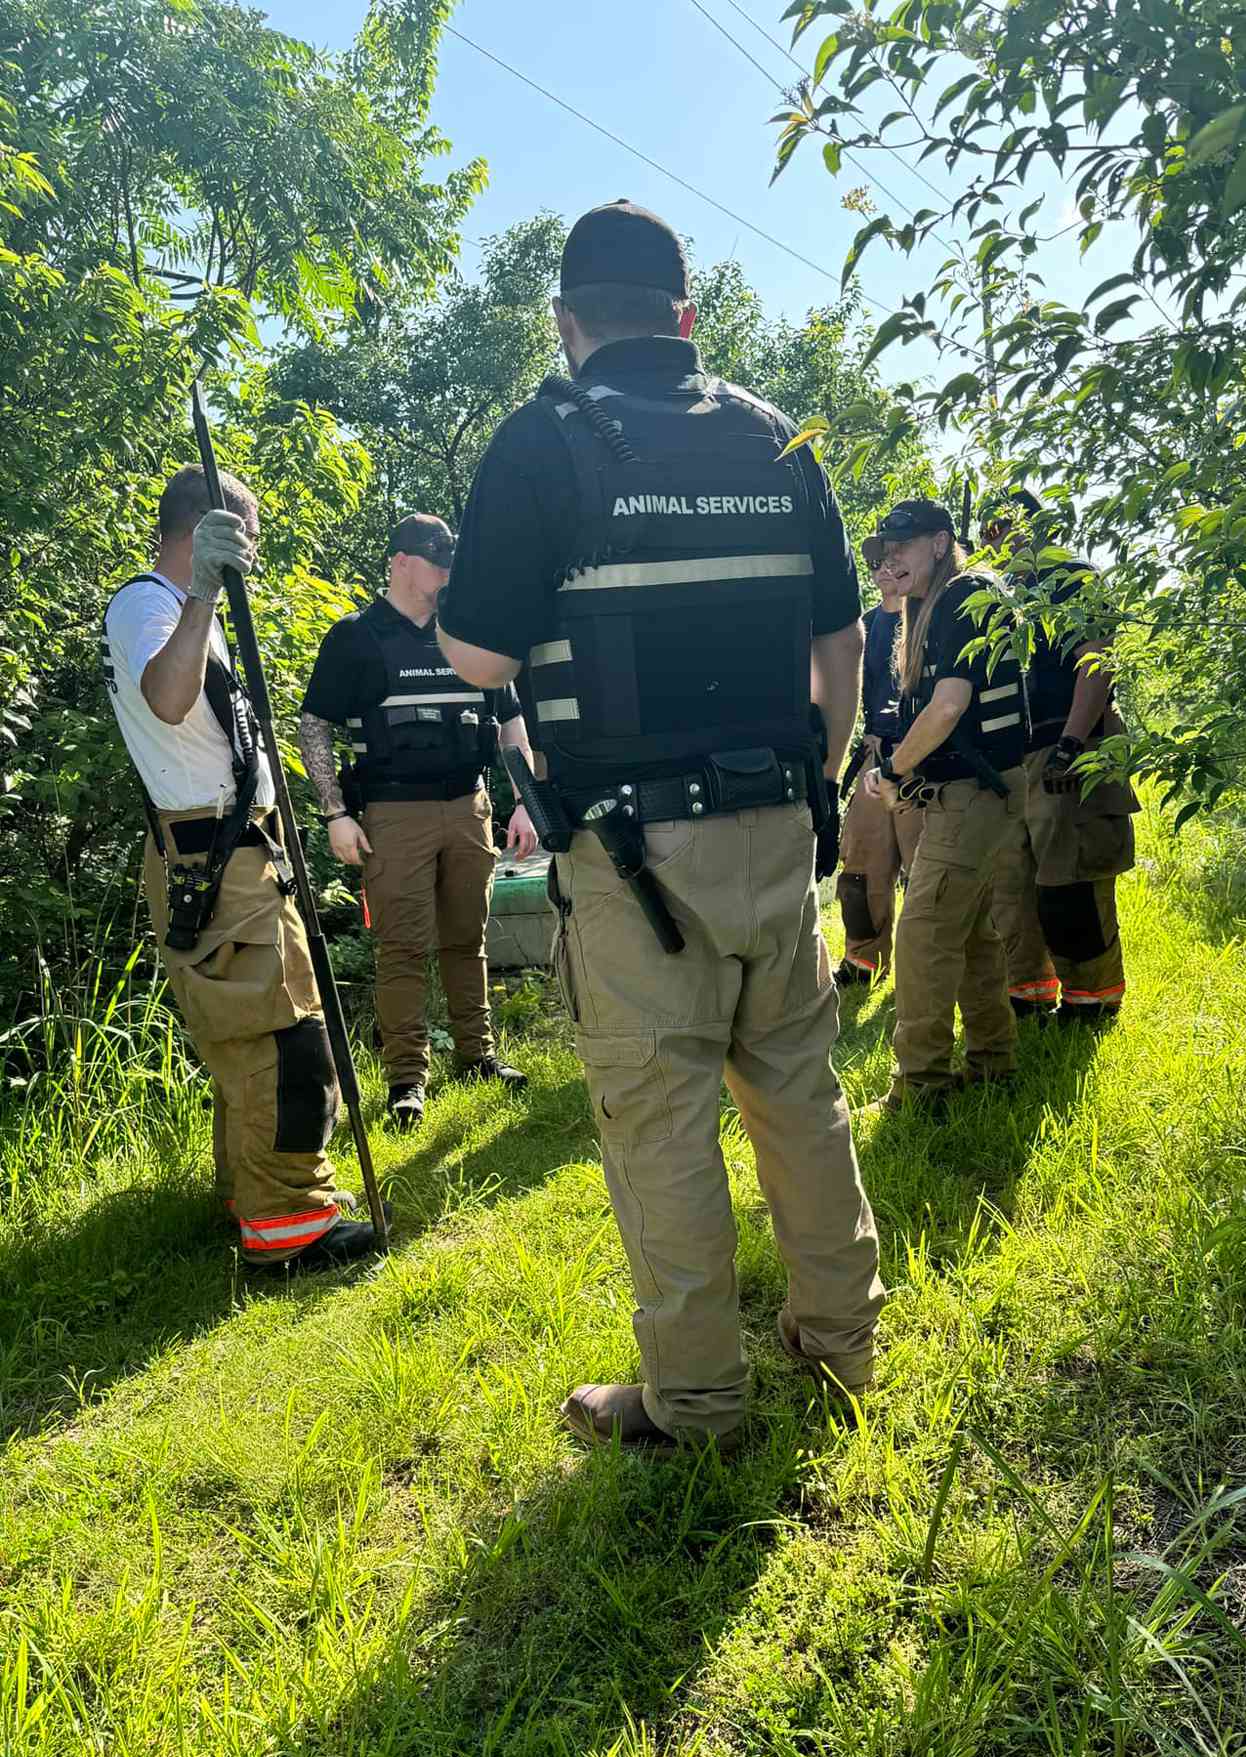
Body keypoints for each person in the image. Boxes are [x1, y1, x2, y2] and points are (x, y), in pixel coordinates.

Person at [436, 198, 884, 1456]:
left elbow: (476, 654)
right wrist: (822, 785)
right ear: (689, 317)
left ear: (566, 323)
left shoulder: (541, 441)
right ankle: (845, 1343)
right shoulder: (778, 441)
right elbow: (841, 640)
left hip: (635, 861)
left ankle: (694, 1406)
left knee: (664, 1123)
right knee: (800, 1090)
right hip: (777, 832)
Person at [101, 468, 376, 1270]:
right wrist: (205, 596)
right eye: (243, 538)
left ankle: (260, 1196)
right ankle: (291, 1227)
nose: (250, 554)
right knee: (280, 1043)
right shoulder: (150, 604)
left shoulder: (186, 611)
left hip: (235, 850)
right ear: (210, 532)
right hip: (210, 858)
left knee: (254, 1034)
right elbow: (167, 698)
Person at [298, 515, 536, 1130]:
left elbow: (509, 720)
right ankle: (407, 1078)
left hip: (469, 808)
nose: (446, 571)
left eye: (450, 559)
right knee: (402, 948)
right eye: (435, 559)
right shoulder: (355, 636)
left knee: (469, 938)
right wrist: (335, 814)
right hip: (392, 814)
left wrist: (524, 802)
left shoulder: (469, 635)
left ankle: (477, 1056)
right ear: (400, 561)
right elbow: (314, 726)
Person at [863, 499, 1022, 1107]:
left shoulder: (963, 596)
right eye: (885, 550)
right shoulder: (934, 604)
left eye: (903, 545)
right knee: (974, 933)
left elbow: (950, 705)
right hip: (969, 791)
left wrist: (892, 766)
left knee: (924, 932)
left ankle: (922, 1085)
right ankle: (993, 1062)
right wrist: (905, 774)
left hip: (978, 795)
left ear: (939, 543)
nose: (890, 558)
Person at [981, 496, 1138, 1025]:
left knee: (1069, 882)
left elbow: (1096, 663)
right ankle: (1028, 994)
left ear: (1031, 524)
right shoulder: (994, 597)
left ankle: (1092, 1002)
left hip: (1070, 748)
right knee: (1011, 885)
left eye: (1000, 526)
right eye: (985, 531)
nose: (991, 540)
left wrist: (1071, 745)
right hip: (1009, 759)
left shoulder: (1074, 578)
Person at [832, 556, 923, 985]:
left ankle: (926, 971)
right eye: (875, 563)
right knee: (860, 865)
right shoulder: (865, 627)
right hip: (875, 757)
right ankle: (863, 961)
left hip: (923, 761)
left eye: (892, 561)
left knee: (926, 871)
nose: (884, 569)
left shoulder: (929, 616)